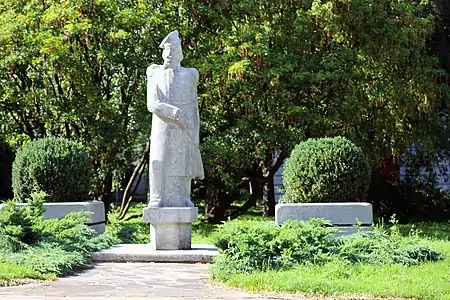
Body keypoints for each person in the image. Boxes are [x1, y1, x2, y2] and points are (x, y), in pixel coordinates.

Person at [146, 30, 204, 208]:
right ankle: (157, 197)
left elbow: (194, 105)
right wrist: (173, 112)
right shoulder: (154, 74)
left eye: (174, 50)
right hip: (163, 125)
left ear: (180, 53)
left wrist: (195, 130)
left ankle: (183, 196)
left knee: (184, 161)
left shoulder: (190, 75)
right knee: (158, 160)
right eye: (167, 51)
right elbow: (152, 104)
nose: (170, 55)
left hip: (184, 125)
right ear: (163, 53)